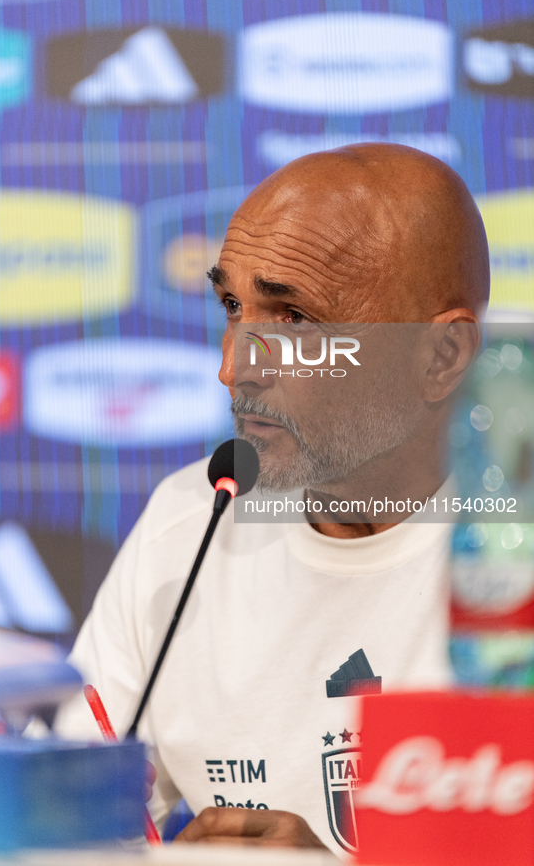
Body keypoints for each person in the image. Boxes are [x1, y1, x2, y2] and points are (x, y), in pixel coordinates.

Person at [54, 144, 490, 855]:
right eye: (232, 305)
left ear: (439, 358)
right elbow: (63, 812)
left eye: (292, 319)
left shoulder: (510, 568)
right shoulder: (190, 518)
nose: (231, 366)